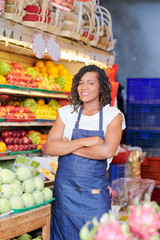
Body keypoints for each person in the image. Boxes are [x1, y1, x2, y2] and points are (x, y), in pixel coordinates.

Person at [46, 65, 126, 240]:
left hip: (95, 194)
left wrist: (68, 147)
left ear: (101, 87)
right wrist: (85, 142)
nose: (84, 87)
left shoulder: (113, 115)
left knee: (96, 234)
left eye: (90, 83)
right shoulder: (66, 112)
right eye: (80, 83)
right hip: (65, 193)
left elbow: (107, 151)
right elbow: (51, 148)